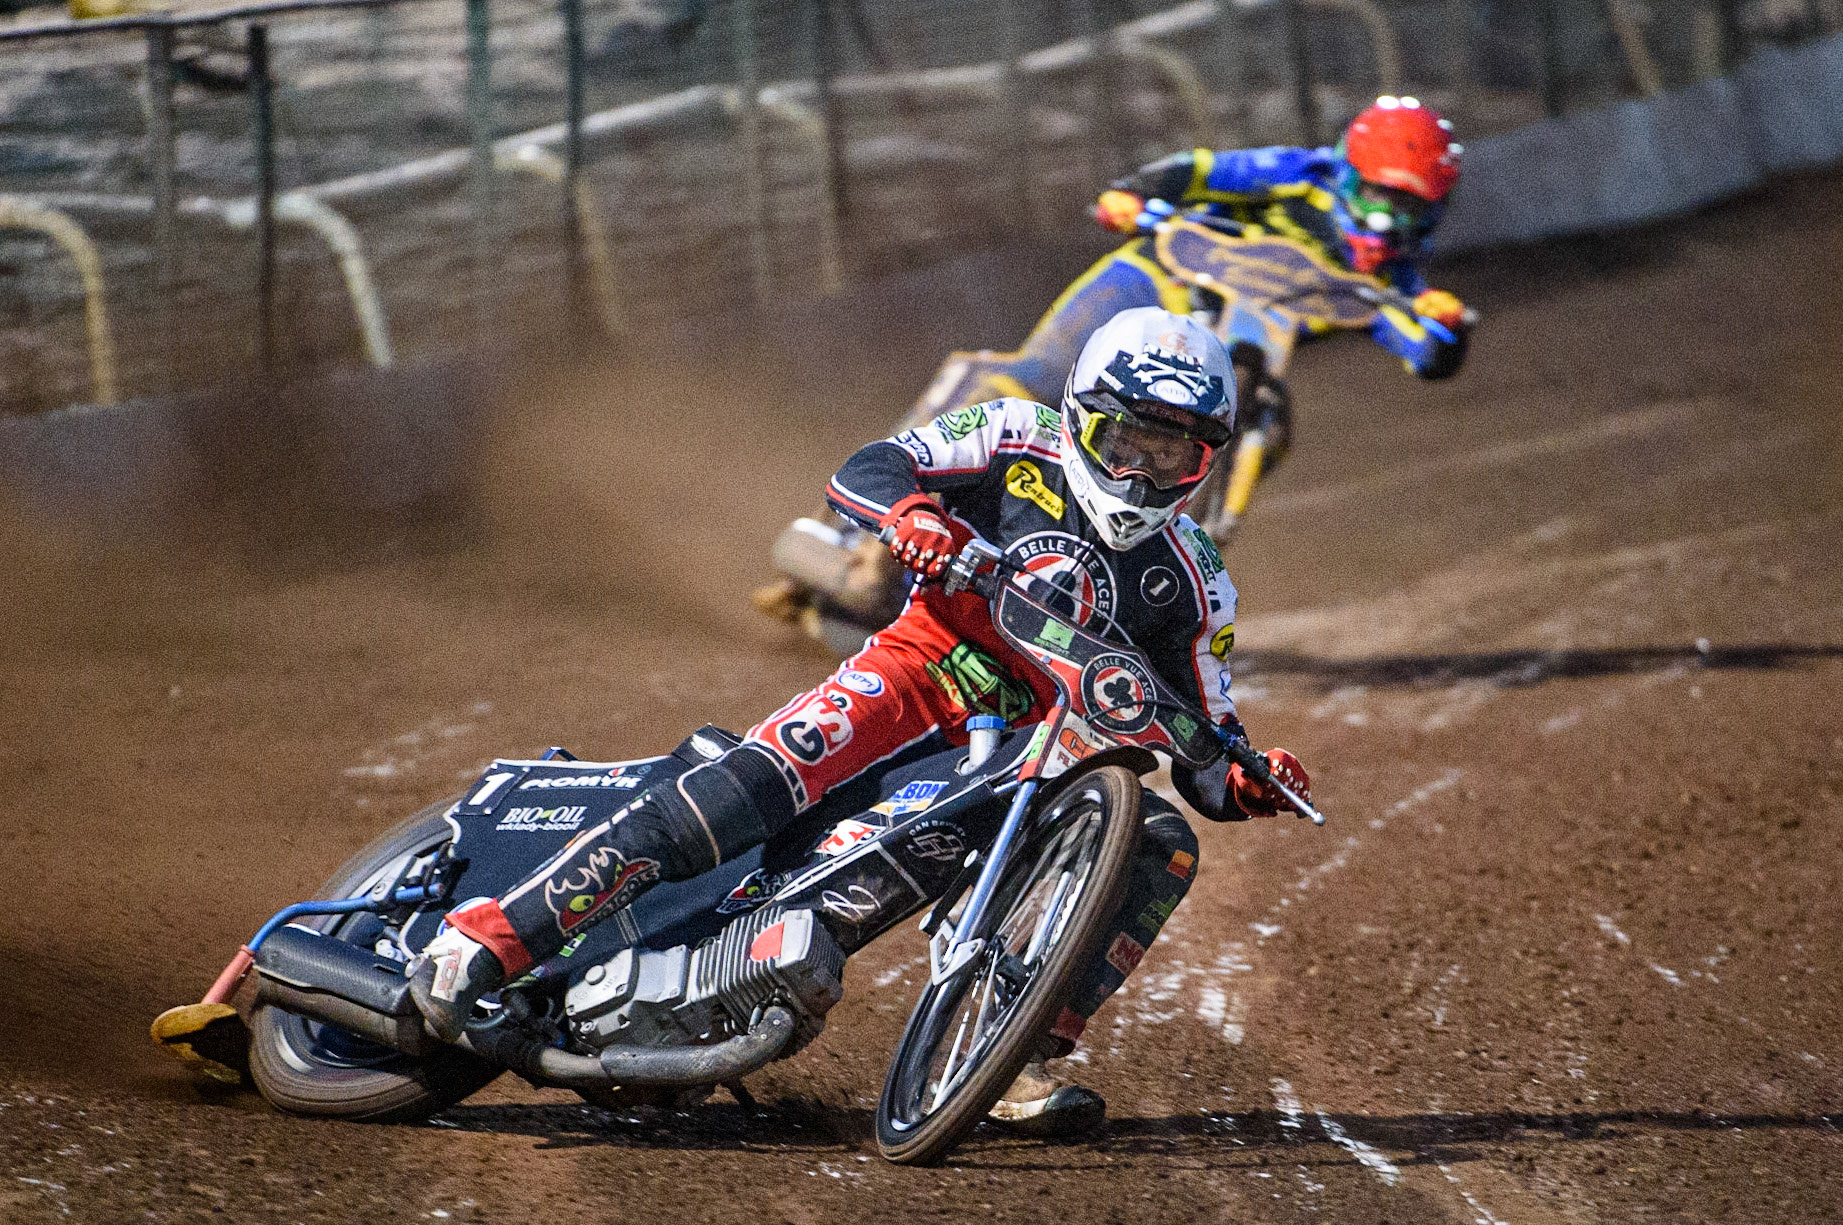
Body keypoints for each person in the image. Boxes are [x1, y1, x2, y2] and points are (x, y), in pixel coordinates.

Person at [409, 307, 1311, 1136]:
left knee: (1162, 840)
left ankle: (1017, 1053)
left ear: (1204, 460)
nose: (1137, 470)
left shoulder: (1195, 579)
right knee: (755, 786)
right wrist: (912, 514)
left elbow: (1203, 728)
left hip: (1036, 750)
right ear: (1081, 414)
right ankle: (497, 934)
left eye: (1169, 454)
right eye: (1124, 440)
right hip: (917, 670)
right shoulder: (1011, 435)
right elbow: (868, 467)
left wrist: (1243, 775)